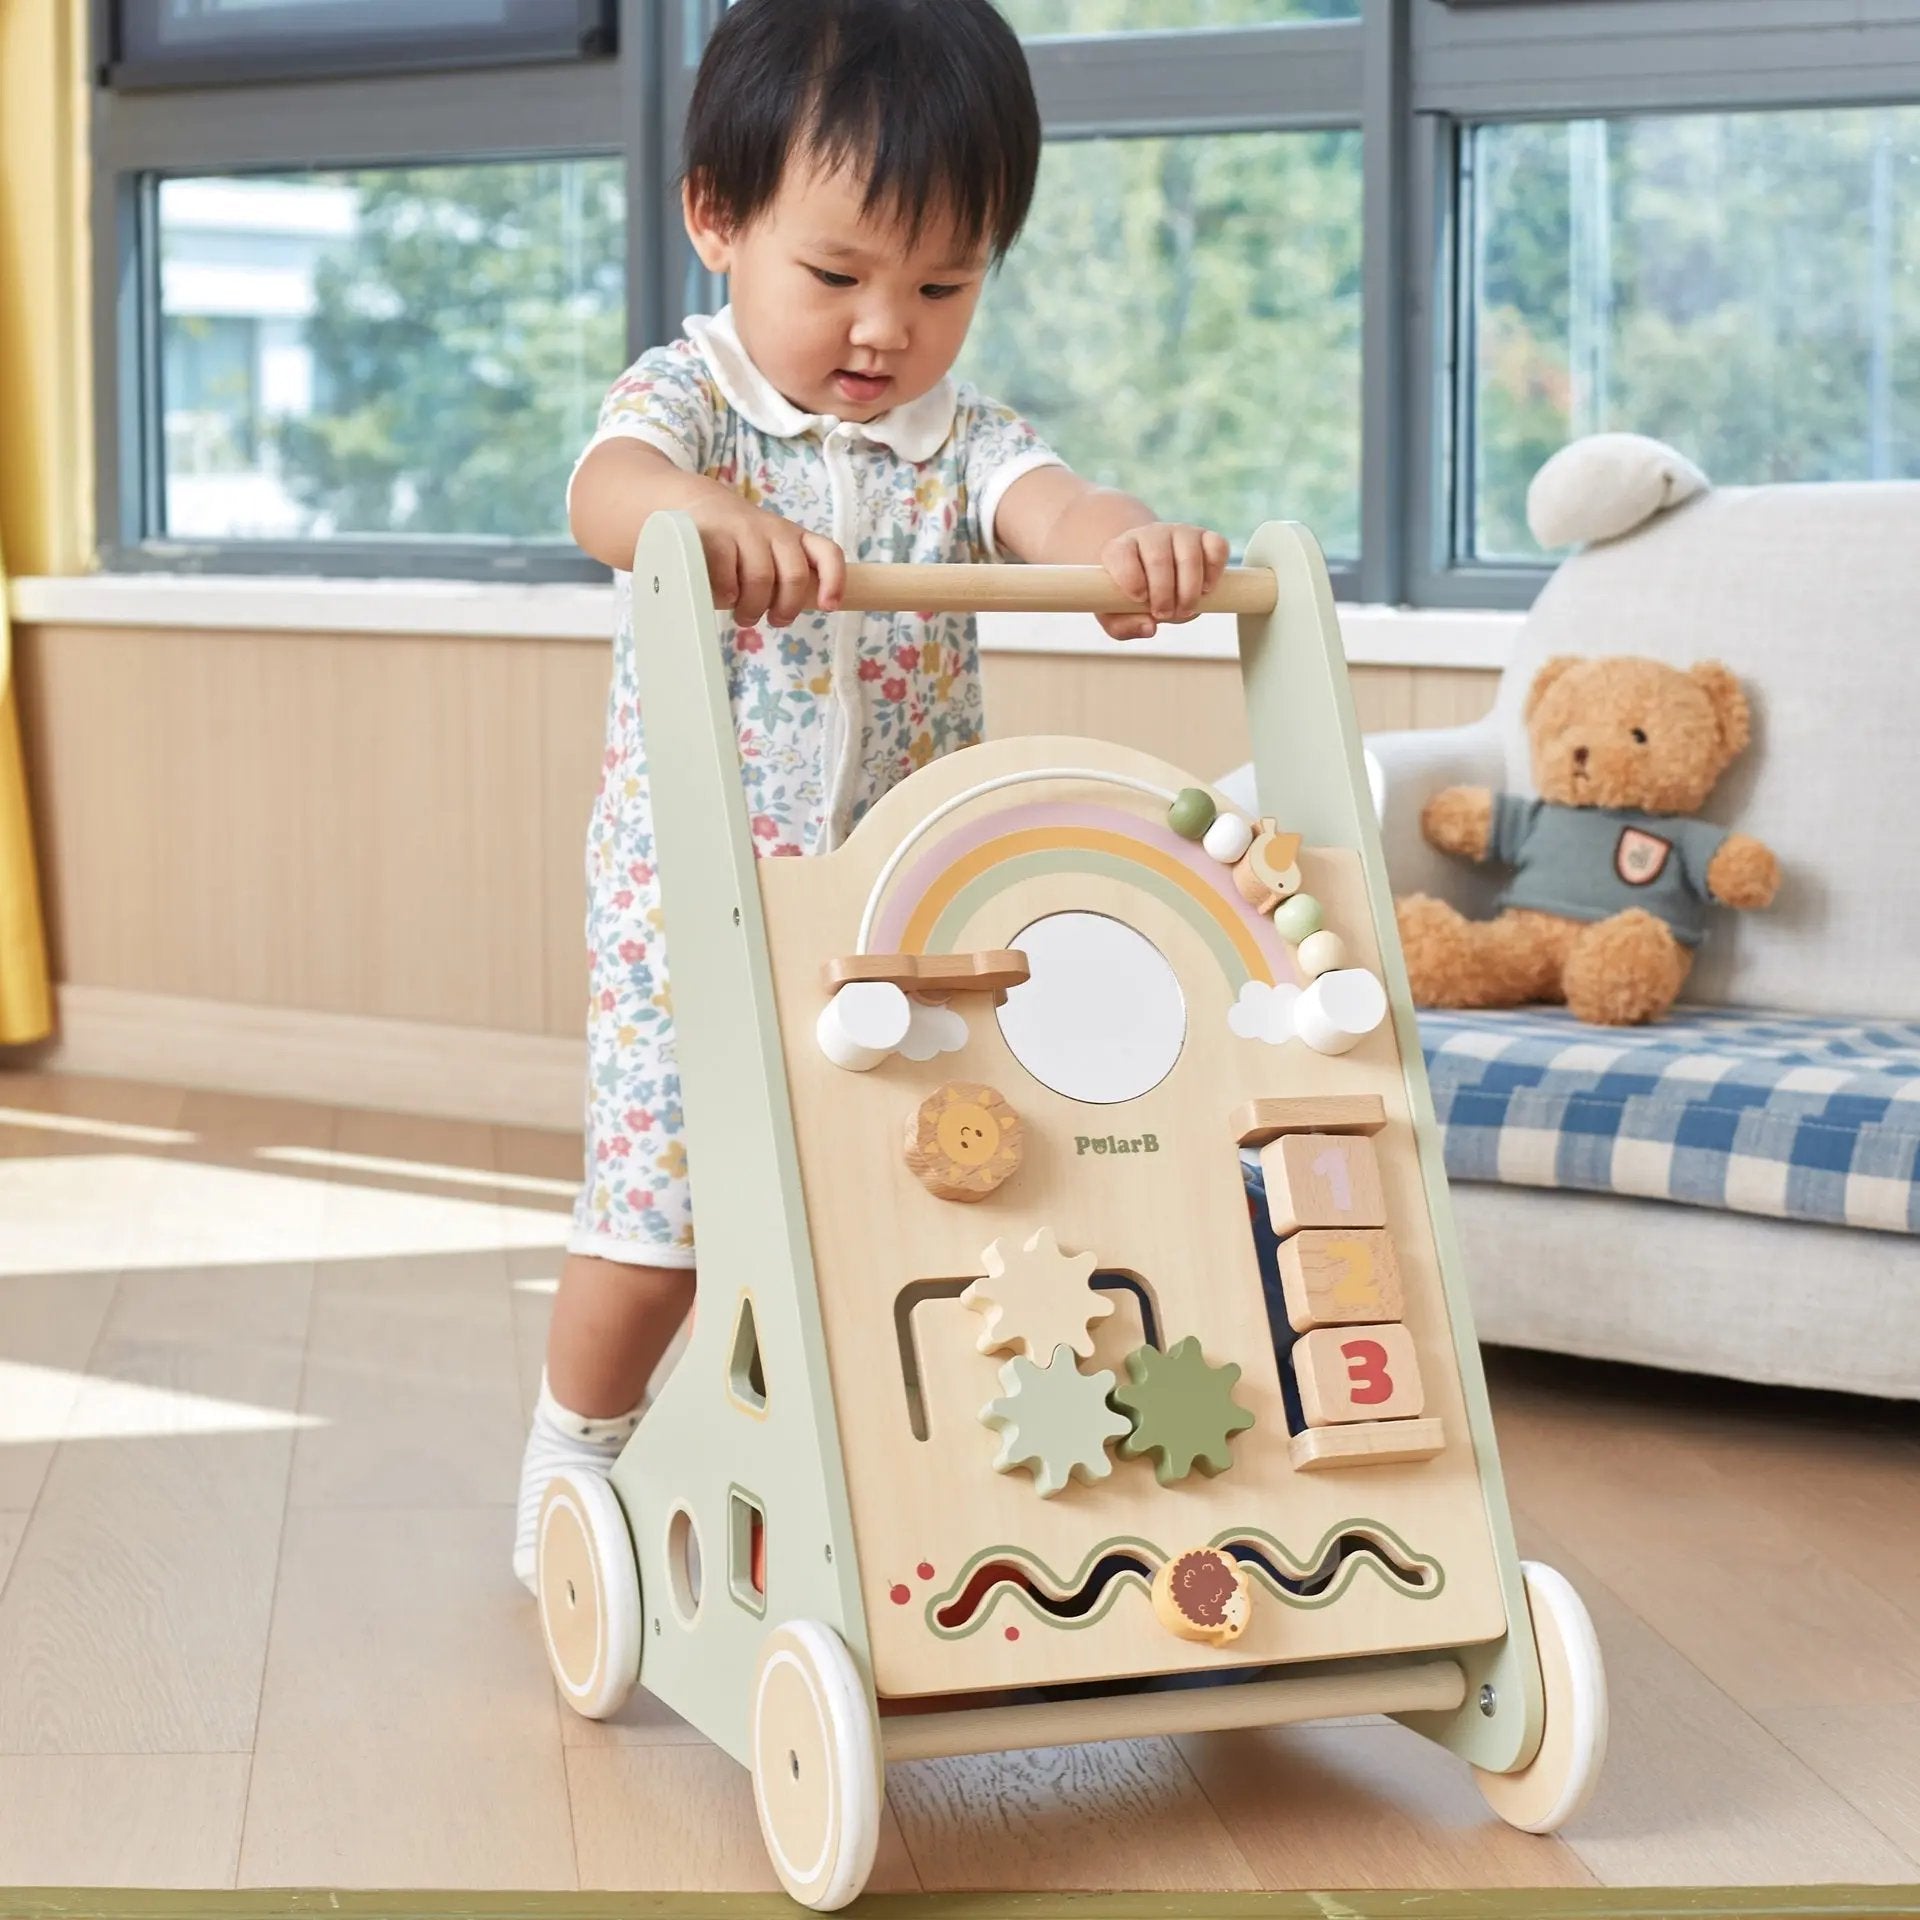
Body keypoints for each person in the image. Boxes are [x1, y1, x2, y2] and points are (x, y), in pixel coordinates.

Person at [516, 0, 1231, 1588]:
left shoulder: (958, 441)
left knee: (881, 1211)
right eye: (835, 275)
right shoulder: (692, 401)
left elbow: (1054, 507)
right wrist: (696, 518)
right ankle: (579, 1447)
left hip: (903, 921)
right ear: (718, 217)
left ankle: (844, 1493)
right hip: (688, 910)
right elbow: (603, 488)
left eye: (942, 284)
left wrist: (1126, 547)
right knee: (662, 1228)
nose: (882, 329)